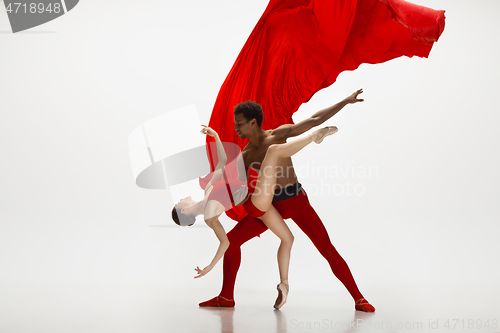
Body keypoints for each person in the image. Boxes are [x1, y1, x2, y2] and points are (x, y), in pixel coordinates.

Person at [199, 89, 376, 312]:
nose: (236, 128)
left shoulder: (278, 135)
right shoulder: (245, 155)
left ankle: (359, 298)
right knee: (231, 242)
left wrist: (345, 101)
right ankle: (226, 297)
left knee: (326, 248)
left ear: (253, 122)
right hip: (269, 208)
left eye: (240, 124)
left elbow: (314, 120)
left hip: (296, 201)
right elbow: (234, 184)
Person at [172, 124, 338, 309]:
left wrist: (215, 136)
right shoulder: (210, 216)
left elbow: (222, 161)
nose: (180, 199)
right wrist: (210, 266)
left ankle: (284, 285)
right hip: (255, 202)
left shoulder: (209, 188)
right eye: (179, 204)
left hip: (260, 202)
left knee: (288, 239)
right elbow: (225, 243)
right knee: (274, 152)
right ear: (184, 212)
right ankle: (313, 136)